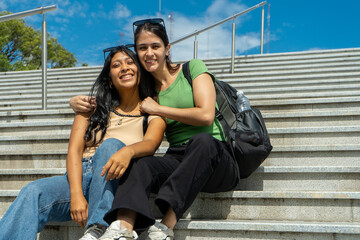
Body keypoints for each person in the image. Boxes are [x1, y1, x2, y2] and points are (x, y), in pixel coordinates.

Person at [70, 18, 240, 240]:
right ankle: (123, 228)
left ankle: (166, 225)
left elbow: (206, 115)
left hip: (217, 157)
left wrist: (160, 108)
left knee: (202, 141)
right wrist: (74, 101)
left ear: (167, 49)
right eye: (142, 48)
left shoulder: (192, 68)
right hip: (180, 158)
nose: (149, 53)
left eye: (155, 46)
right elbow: (114, 92)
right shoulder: (147, 86)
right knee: (141, 163)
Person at [0, 45, 166, 240]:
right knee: (32, 192)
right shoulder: (90, 108)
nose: (124, 68)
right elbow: (74, 151)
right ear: (109, 79)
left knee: (111, 145)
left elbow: (151, 144)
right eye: (116, 65)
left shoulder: (152, 110)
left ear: (140, 72)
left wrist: (127, 151)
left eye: (130, 62)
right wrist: (77, 195)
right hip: (80, 177)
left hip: (114, 181)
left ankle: (98, 227)